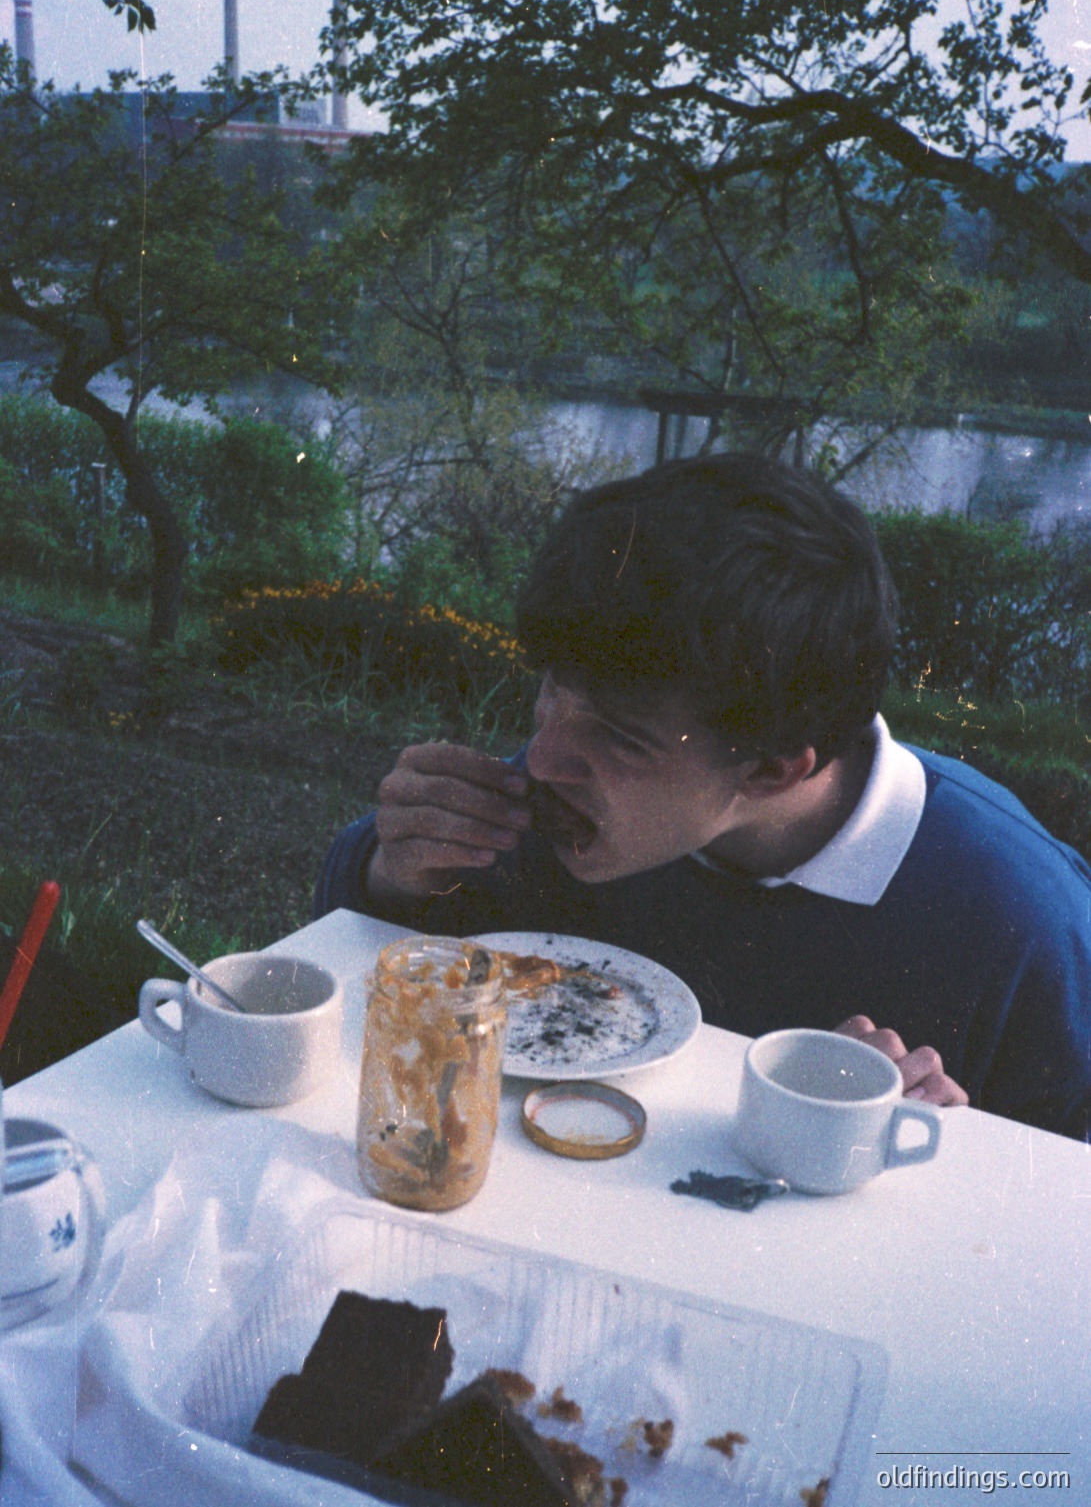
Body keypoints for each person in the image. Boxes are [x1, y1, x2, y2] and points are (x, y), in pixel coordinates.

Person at [317, 454, 1091, 1140]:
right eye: (552, 689)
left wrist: (965, 1161)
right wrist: (393, 868)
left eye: (621, 738)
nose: (544, 756)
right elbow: (371, 957)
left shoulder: (1023, 922)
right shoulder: (566, 799)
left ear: (770, 771)